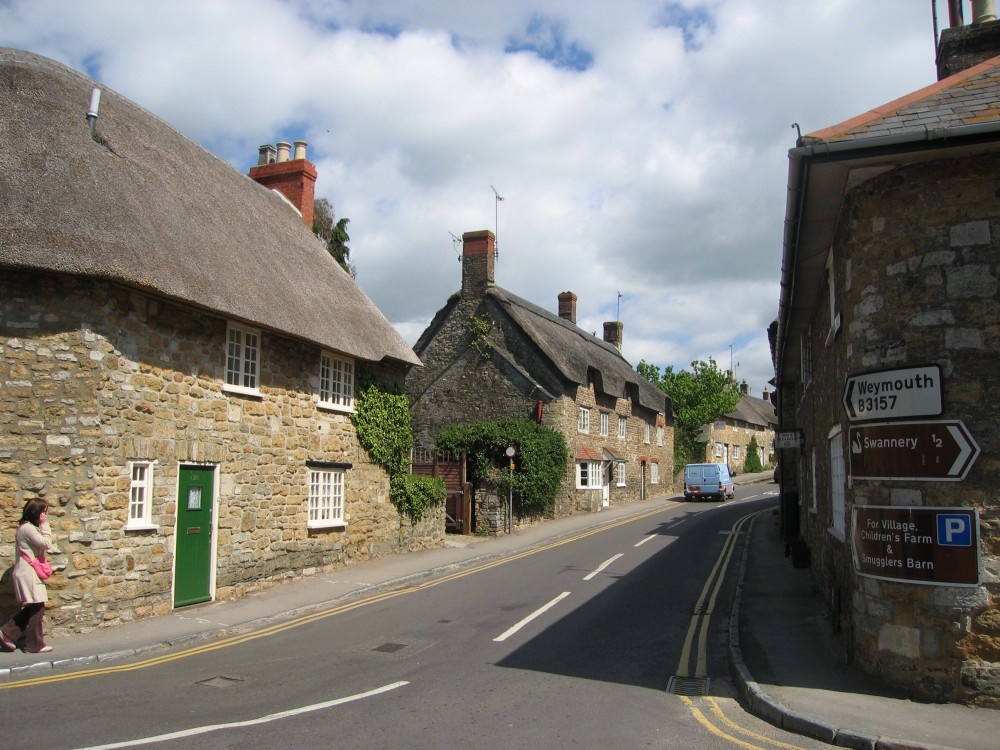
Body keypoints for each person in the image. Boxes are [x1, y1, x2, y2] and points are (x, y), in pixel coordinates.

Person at [1, 498, 53, 654]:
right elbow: (46, 544)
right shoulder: (27, 528)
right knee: (37, 606)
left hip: (29, 571)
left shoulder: (27, 528)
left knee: (36, 606)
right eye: (44, 512)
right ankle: (34, 644)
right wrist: (45, 525)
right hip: (28, 572)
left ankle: (7, 632)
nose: (45, 515)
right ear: (36, 512)